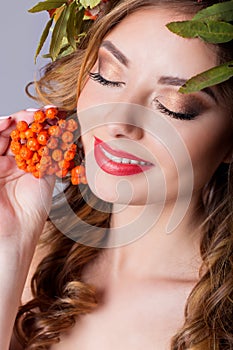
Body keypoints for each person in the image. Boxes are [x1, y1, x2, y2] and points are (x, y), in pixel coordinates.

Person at [0, 0, 233, 349]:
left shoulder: (220, 319)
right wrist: (11, 245)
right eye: (106, 75)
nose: (118, 122)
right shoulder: (33, 260)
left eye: (173, 107)